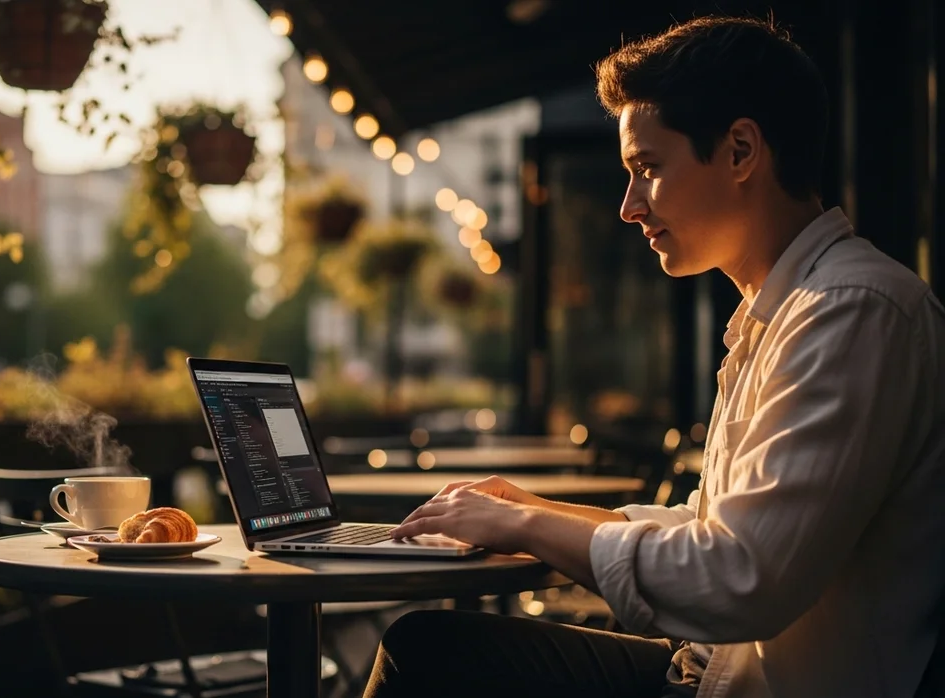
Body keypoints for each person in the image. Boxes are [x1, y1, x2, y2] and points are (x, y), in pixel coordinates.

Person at [364, 15, 945, 698]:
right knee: (431, 647)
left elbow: (737, 576)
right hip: (709, 673)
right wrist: (533, 513)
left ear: (739, 151)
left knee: (430, 655)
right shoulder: (791, 310)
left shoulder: (852, 311)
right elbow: (712, 529)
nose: (628, 207)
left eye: (647, 169)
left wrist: (524, 522)